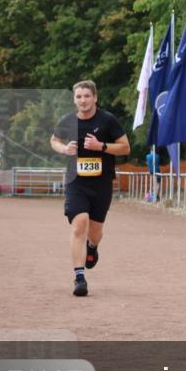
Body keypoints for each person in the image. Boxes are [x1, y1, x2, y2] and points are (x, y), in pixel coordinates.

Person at [50, 80, 130, 297]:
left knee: (94, 232)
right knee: (79, 224)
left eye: (87, 96)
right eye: (78, 96)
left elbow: (125, 147)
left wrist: (101, 146)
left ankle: (92, 247)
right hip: (76, 182)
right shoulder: (67, 121)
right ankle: (79, 277)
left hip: (101, 183)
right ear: (74, 99)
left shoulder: (107, 120)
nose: (83, 100)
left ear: (95, 97)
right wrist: (64, 149)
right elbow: (54, 140)